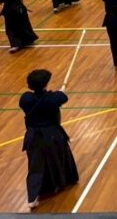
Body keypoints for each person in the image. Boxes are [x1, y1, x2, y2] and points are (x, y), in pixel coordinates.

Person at [19, 69, 78, 209]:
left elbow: (43, 100)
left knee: (35, 166)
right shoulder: (53, 98)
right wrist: (61, 92)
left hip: (33, 136)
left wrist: (55, 94)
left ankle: (33, 197)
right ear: (45, 84)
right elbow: (62, 98)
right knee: (59, 157)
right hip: (52, 135)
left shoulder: (26, 99)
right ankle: (65, 180)